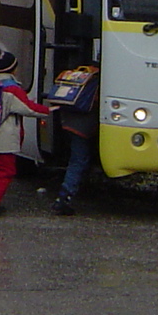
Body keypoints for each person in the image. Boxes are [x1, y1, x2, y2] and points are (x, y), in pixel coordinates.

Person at [0, 48, 50, 216]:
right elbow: (29, 109)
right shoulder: (12, 89)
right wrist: (50, 110)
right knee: (5, 170)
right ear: (11, 69)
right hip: (3, 140)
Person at [51, 73, 100, 217]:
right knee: (78, 161)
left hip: (68, 122)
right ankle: (63, 198)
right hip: (82, 127)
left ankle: (66, 196)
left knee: (77, 159)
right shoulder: (99, 79)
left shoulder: (82, 75)